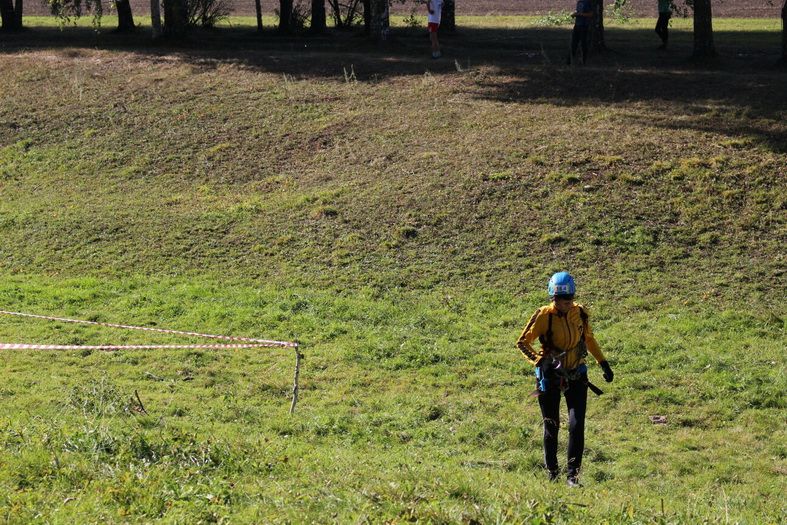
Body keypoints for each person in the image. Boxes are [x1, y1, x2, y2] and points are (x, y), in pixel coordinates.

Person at [516, 272, 614, 487]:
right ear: (554, 298)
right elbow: (522, 342)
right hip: (550, 377)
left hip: (577, 374)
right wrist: (539, 361)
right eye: (562, 300)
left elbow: (588, 338)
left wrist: (603, 363)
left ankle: (572, 477)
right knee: (552, 425)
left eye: (569, 299)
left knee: (576, 425)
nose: (567, 304)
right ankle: (552, 473)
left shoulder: (580, 313)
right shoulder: (544, 315)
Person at [569, 0, 593, 64]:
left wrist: (579, 14)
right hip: (577, 25)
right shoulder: (579, 2)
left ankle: (583, 61)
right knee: (574, 43)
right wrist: (574, 14)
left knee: (583, 44)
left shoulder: (587, 2)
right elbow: (578, 11)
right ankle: (570, 60)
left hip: (584, 25)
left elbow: (590, 14)